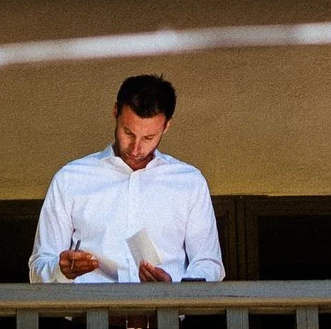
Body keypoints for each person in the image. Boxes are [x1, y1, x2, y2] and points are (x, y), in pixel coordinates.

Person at [29, 74, 225, 285]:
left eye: (148, 138)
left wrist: (175, 285)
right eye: (128, 132)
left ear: (166, 127)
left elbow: (210, 265)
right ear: (115, 112)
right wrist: (60, 269)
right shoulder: (70, 179)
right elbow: (37, 270)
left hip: (164, 316)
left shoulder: (189, 183)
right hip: (90, 316)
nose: (135, 147)